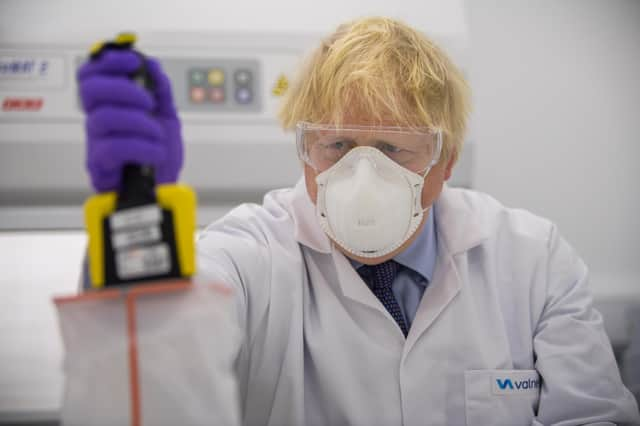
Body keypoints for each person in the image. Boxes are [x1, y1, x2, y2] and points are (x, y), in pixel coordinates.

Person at [77, 16, 640, 425]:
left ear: (446, 163)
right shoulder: (253, 252)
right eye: (337, 144)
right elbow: (164, 351)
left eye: (394, 150)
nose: (361, 177)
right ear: (304, 154)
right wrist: (137, 222)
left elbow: (594, 417)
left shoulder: (533, 260)